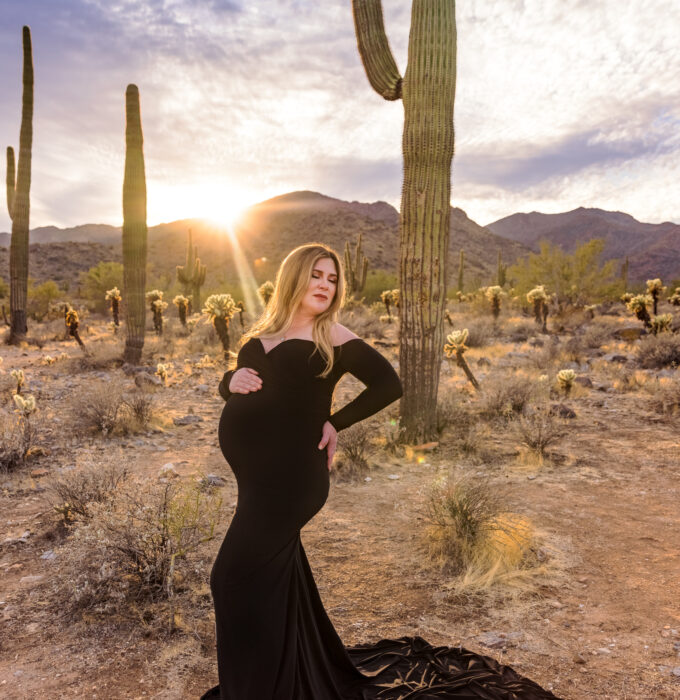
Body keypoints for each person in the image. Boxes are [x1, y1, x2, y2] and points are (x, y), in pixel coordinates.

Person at [201, 243, 560, 700]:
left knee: (229, 578)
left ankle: (253, 689)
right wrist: (227, 381)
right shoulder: (260, 336)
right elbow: (237, 382)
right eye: (317, 275)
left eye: (333, 280)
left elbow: (389, 384)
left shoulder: (332, 335)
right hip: (254, 481)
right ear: (294, 277)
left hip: (292, 481)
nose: (325, 286)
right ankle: (285, 681)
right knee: (274, 579)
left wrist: (335, 423)